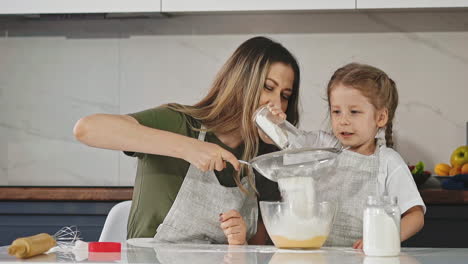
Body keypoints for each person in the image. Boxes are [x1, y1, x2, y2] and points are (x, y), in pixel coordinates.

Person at [73, 36, 301, 245]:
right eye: (268, 87)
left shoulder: (264, 160)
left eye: (285, 96)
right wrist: (189, 147)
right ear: (242, 82)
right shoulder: (179, 123)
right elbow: (87, 129)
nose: (276, 105)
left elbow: (259, 248)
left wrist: (240, 242)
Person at [266, 62, 425, 248]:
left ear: (380, 117)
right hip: (317, 255)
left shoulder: (388, 161)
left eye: (354, 112)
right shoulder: (322, 145)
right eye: (336, 111)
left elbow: (415, 216)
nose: (343, 121)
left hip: (364, 258)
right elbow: (292, 142)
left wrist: (383, 239)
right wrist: (277, 124)